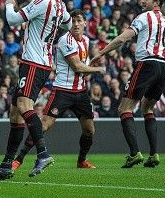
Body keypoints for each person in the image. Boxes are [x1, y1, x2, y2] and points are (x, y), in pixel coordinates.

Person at [0, 0, 72, 180]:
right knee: (16, 113)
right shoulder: (60, 5)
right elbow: (69, 23)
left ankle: (43, 153)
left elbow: (13, 20)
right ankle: (7, 164)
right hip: (43, 62)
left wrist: (9, 5)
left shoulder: (40, 1)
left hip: (34, 63)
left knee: (25, 107)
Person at [91, 0, 165, 168]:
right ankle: (154, 154)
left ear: (157, 2)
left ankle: (134, 153)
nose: (142, 0)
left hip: (147, 64)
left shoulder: (144, 17)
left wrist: (101, 53)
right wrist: (161, 51)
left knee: (125, 108)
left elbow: (122, 39)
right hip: (164, 67)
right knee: (148, 108)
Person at [13, 10, 106, 170]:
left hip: (81, 92)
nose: (76, 24)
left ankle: (81, 161)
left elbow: (83, 67)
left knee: (89, 130)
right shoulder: (65, 40)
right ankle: (18, 160)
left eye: (79, 21)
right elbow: (77, 66)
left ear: (85, 23)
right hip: (63, 91)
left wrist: (89, 69)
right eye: (73, 21)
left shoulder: (86, 40)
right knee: (44, 126)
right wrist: (97, 69)